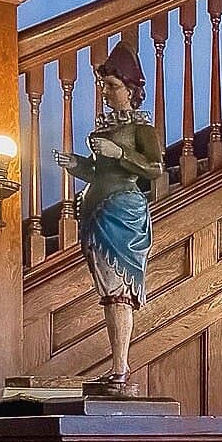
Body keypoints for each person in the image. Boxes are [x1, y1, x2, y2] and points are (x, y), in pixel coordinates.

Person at [65, 41, 163, 393]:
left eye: (113, 86)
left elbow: (153, 169)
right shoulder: (105, 128)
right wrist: (76, 164)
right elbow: (97, 172)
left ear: (131, 90)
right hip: (94, 212)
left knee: (119, 294)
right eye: (104, 85)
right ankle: (117, 368)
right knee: (108, 295)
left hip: (122, 212)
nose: (106, 92)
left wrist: (119, 151)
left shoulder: (141, 130)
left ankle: (121, 369)